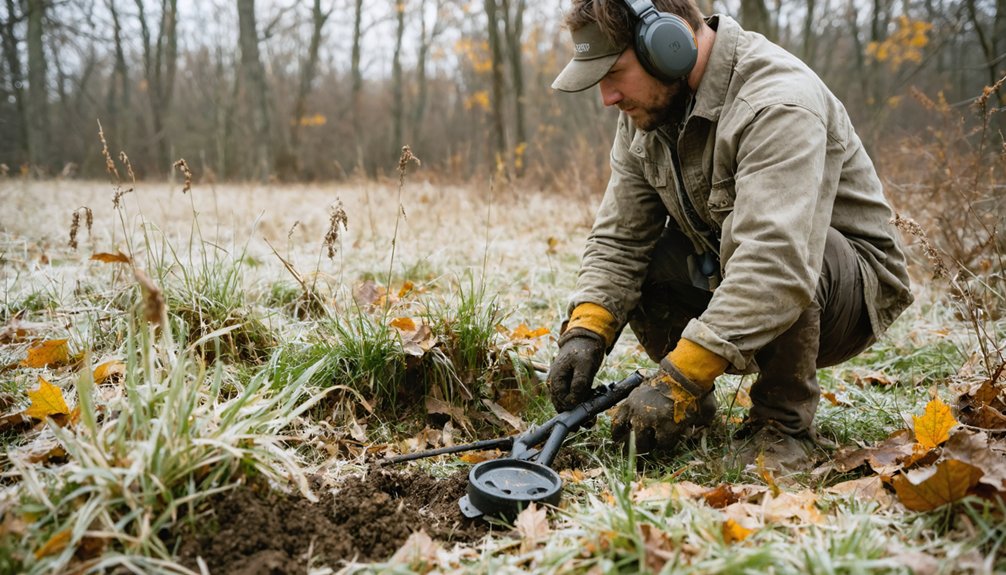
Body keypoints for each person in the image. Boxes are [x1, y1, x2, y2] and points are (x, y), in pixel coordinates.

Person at [546, 0, 913, 470]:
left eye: (615, 73)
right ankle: (688, 414)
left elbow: (775, 262)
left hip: (843, 293)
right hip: (735, 268)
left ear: (668, 46)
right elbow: (621, 239)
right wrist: (587, 330)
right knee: (651, 257)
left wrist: (681, 376)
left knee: (790, 250)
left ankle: (782, 425)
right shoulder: (650, 109)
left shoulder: (777, 101)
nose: (608, 97)